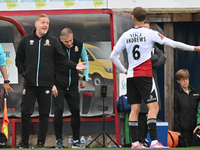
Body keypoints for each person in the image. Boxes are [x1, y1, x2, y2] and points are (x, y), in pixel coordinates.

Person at [110, 7, 200, 149]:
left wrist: (125, 70)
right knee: (154, 108)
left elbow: (113, 56)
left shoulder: (126, 35)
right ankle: (154, 141)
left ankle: (135, 143)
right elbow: (173, 43)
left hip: (132, 77)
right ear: (145, 19)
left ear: (133, 18)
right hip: (145, 76)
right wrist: (195, 48)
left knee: (134, 109)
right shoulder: (150, 33)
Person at [15, 14, 88, 149]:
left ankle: (40, 143)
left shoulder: (53, 41)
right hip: (29, 84)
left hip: (45, 84)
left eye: (47, 23)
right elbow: (18, 60)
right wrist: (24, 73)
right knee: (26, 113)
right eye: (43, 22)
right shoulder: (26, 40)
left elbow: (62, 59)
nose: (45, 25)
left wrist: (74, 66)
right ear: (36, 24)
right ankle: (24, 143)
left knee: (44, 114)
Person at [51, 28, 89, 148]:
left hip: (72, 84)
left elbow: (85, 60)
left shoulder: (79, 44)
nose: (69, 43)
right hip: (58, 85)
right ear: (61, 39)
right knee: (58, 111)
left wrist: (85, 78)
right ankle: (58, 140)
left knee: (75, 110)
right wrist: (52, 84)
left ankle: (76, 139)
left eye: (71, 40)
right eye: (67, 41)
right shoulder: (56, 46)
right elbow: (50, 65)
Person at [139, 22, 166, 147]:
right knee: (140, 111)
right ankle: (140, 140)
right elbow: (140, 61)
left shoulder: (154, 46)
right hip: (139, 82)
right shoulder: (136, 45)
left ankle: (151, 140)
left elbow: (162, 58)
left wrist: (151, 62)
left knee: (153, 109)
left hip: (151, 82)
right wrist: (151, 60)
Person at [174, 69, 200, 146]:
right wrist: (178, 130)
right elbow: (176, 113)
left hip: (196, 128)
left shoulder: (195, 91)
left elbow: (199, 110)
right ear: (178, 81)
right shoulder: (176, 93)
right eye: (183, 79)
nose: (185, 81)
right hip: (184, 130)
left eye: (187, 79)